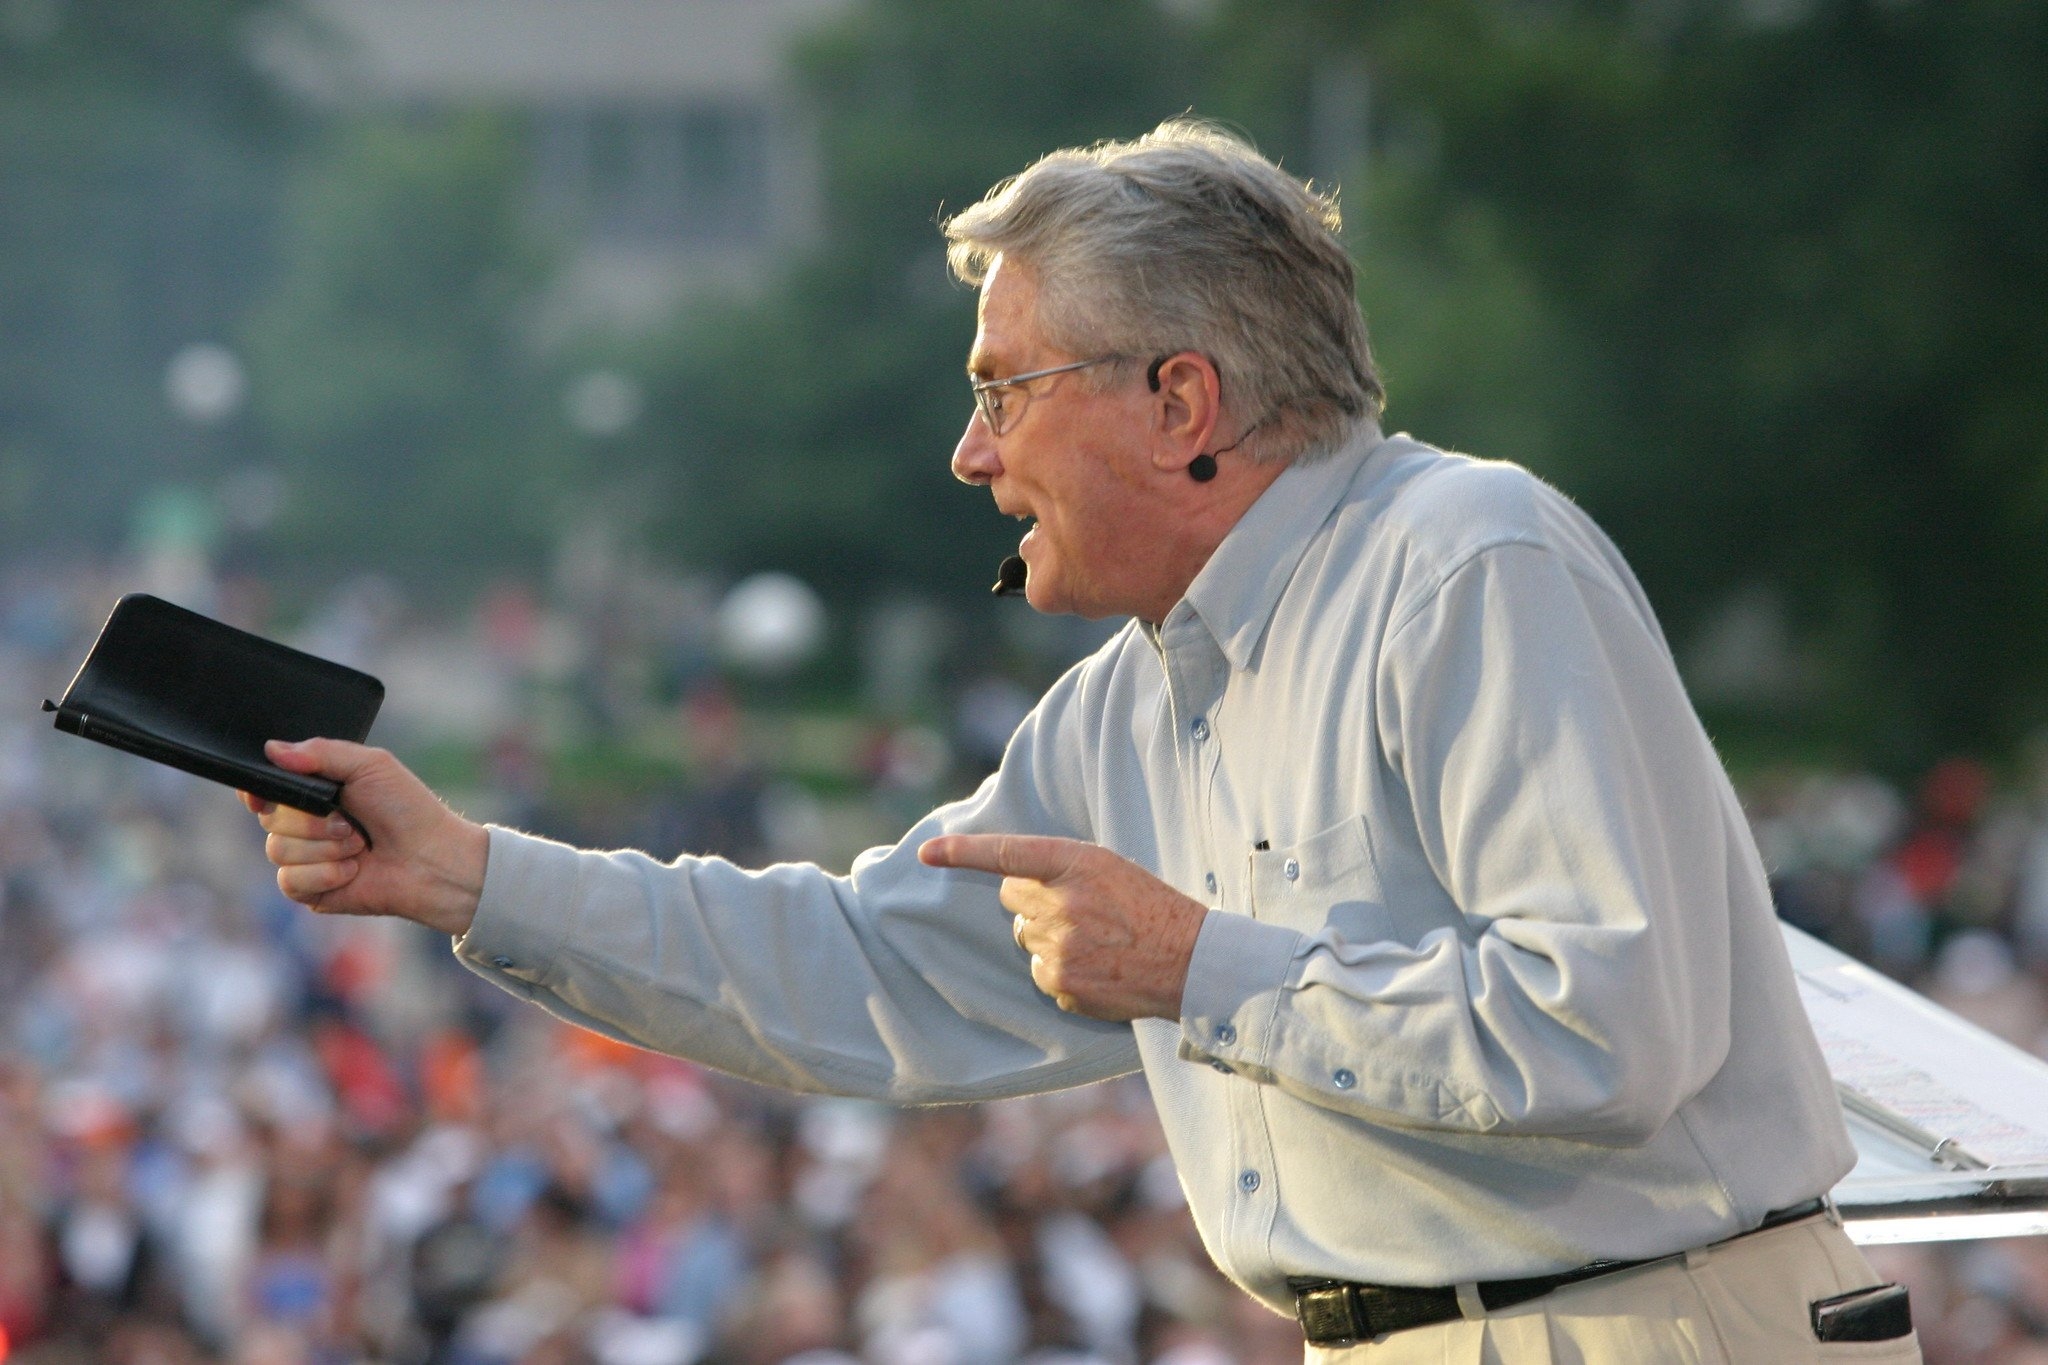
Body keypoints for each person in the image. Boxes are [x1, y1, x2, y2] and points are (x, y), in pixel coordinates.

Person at [243, 120, 1918, 1362]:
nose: (970, 456)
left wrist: (1200, 962)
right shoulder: (1126, 703)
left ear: (1179, 402)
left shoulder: (1467, 561)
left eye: (1002, 389)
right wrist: (471, 875)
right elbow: (857, 967)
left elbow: (1608, 1028)